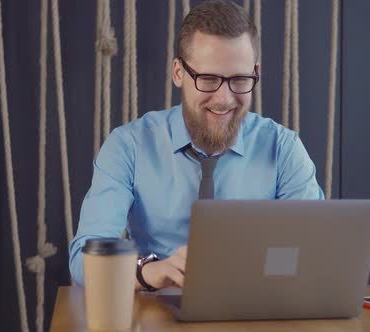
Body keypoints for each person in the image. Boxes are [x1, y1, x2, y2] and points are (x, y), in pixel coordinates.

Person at [69, 0, 324, 290]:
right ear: (178, 72)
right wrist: (151, 272)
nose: (224, 99)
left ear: (255, 72)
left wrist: (255, 270)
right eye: (208, 78)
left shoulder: (284, 149)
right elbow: (84, 261)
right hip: (158, 312)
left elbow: (314, 257)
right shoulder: (128, 146)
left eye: (239, 80)